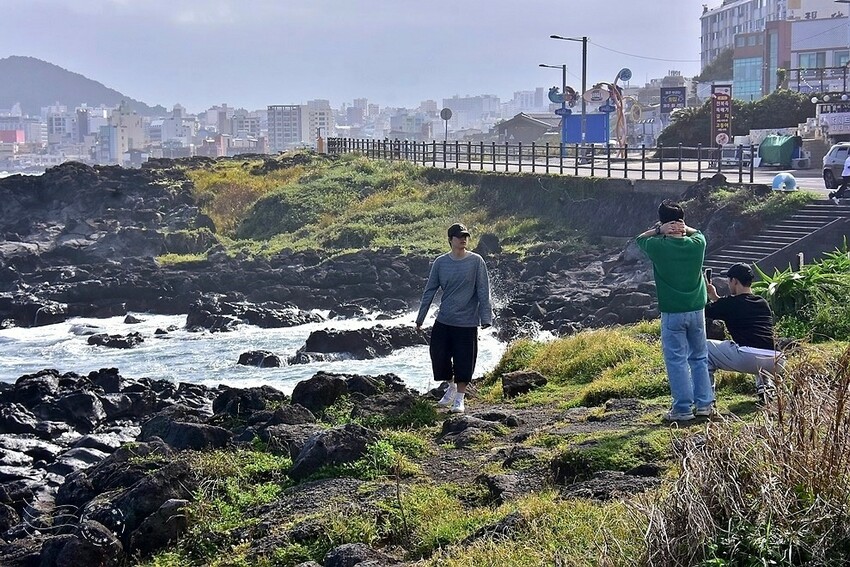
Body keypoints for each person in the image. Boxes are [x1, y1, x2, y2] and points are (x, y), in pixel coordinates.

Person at [636, 200, 715, 422]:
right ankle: (704, 406)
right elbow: (697, 232)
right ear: (682, 221)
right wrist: (683, 226)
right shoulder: (697, 243)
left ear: (662, 222)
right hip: (697, 309)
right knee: (699, 357)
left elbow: (639, 239)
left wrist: (659, 230)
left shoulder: (658, 246)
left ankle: (682, 409)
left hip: (672, 311)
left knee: (676, 360)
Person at [415, 222, 493, 414]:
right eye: (459, 236)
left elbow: (483, 290)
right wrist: (420, 318)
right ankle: (450, 385)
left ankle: (459, 398)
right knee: (438, 355)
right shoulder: (441, 263)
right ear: (450, 240)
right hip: (444, 319)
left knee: (464, 360)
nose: (463, 239)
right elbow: (429, 290)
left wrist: (486, 317)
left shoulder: (476, 262)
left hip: (467, 322)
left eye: (466, 236)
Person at [705, 262, 785, 403]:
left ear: (734, 281)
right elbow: (732, 306)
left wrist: (705, 295)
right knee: (758, 341)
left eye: (729, 280)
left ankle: (706, 400)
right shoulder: (762, 302)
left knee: (705, 348)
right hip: (776, 360)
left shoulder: (729, 304)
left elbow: (706, 310)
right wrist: (715, 297)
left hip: (749, 358)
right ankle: (766, 387)